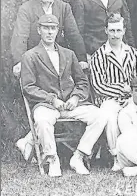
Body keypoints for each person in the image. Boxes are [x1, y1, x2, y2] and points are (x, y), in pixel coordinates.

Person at [20, 14, 107, 177]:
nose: (49, 32)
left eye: (53, 28)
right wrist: (52, 99)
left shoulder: (69, 54)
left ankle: (79, 155)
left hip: (70, 104)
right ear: (39, 30)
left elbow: (82, 82)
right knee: (42, 119)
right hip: (46, 105)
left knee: (100, 115)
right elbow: (29, 87)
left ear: (58, 31)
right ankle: (52, 159)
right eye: (46, 28)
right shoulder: (30, 56)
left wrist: (75, 98)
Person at [89, 12, 137, 171]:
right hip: (108, 99)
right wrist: (122, 89)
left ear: (124, 31)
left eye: (118, 30)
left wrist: (132, 94)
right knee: (111, 115)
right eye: (112, 30)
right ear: (106, 31)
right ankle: (116, 157)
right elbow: (99, 86)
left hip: (130, 98)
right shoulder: (99, 55)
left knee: (135, 113)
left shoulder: (133, 53)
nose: (115, 35)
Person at [11, 0, 88, 78]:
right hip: (36, 58)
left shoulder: (63, 8)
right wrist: (19, 61)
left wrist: (81, 58)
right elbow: (20, 37)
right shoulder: (26, 9)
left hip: (59, 57)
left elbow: (73, 34)